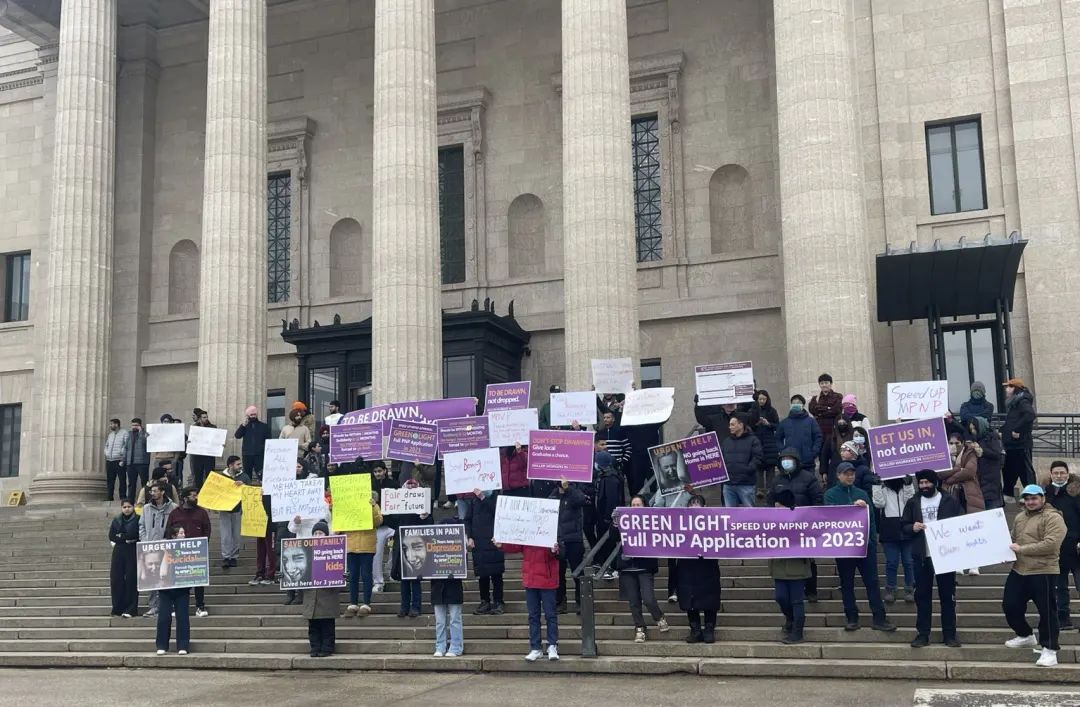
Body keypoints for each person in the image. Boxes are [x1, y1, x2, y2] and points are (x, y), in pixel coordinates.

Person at [825, 462, 895, 632]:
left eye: (852, 474)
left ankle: (879, 618)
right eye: (846, 474)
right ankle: (852, 618)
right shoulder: (830, 495)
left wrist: (871, 541)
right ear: (838, 475)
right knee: (847, 584)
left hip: (864, 546)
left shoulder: (862, 493)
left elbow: (871, 517)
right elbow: (829, 515)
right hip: (844, 547)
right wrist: (851, 508)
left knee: (872, 582)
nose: (850, 476)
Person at [1003, 484, 1066, 666]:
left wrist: (1021, 549)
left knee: (1047, 611)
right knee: (1010, 605)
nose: (1030, 502)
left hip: (1043, 570)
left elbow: (1051, 544)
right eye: (1027, 498)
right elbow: (1013, 540)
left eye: (1034, 498)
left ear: (1042, 498)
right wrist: (1007, 554)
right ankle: (1025, 635)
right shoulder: (1020, 517)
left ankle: (1050, 649)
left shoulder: (1053, 517)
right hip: (1019, 569)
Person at [903, 469, 965, 648]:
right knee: (922, 596)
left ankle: (950, 635)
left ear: (935, 483)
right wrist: (912, 527)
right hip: (922, 556)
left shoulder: (950, 500)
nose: (924, 486)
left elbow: (961, 524)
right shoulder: (913, 502)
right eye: (921, 483)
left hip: (945, 555)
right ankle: (922, 634)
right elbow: (904, 526)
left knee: (948, 596)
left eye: (927, 483)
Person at [767, 447, 824, 602]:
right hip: (783, 528)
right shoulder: (777, 480)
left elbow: (818, 499)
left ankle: (811, 591)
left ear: (796, 461)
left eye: (789, 459)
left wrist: (805, 515)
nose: (786, 462)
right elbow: (769, 501)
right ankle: (788, 590)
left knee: (808, 559)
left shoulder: (808, 478)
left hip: (804, 526)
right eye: (783, 459)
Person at [615, 495, 670, 642]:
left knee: (648, 598)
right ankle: (639, 628)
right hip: (627, 567)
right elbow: (612, 536)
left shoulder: (651, 522)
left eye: (638, 504)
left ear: (645, 507)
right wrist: (615, 523)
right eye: (633, 505)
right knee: (633, 601)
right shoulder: (623, 520)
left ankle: (658, 616)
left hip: (644, 566)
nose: (635, 507)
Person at [496, 538, 561, 662]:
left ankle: (552, 645)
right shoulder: (527, 534)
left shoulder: (551, 529)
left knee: (550, 615)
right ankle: (536, 647)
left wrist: (555, 550)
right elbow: (516, 546)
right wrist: (501, 545)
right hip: (531, 580)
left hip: (547, 580)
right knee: (533, 616)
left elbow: (561, 552)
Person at [537, 476, 588, 614]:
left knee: (578, 573)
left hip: (574, 539)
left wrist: (568, 488)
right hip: (558, 540)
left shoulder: (573, 493)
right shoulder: (552, 496)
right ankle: (560, 602)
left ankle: (581, 602)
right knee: (559, 573)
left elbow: (582, 500)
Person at [676, 494, 721, 643]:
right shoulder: (680, 525)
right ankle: (695, 629)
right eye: (691, 505)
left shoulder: (714, 524)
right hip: (687, 567)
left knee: (710, 598)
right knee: (689, 598)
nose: (694, 508)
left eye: (697, 505)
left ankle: (709, 629)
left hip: (707, 566)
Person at [769, 489, 812, 643]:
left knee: (796, 601)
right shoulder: (772, 521)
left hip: (797, 567)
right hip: (779, 566)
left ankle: (797, 631)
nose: (776, 508)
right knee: (781, 597)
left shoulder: (801, 519)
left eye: (779, 505)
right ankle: (790, 619)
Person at [390, 472, 433, 618]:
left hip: (415, 541)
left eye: (413, 486)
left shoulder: (423, 502)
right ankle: (404, 606)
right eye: (409, 486)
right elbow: (392, 519)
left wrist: (426, 516)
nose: (411, 488)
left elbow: (429, 523)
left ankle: (415, 606)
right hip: (402, 541)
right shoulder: (399, 501)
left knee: (415, 577)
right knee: (404, 579)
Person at [1045, 461, 1080, 631]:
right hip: (1057, 548)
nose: (1059, 476)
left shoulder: (1076, 492)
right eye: (1056, 473)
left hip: (1077, 546)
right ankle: (1063, 617)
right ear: (1051, 474)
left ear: (1067, 474)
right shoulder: (1046, 494)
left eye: (1062, 473)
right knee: (1060, 586)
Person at [167, 487, 212, 618]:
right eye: (193, 496)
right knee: (179, 579)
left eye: (196, 495)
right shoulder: (175, 513)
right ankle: (178, 606)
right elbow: (169, 531)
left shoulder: (201, 512)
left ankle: (200, 606)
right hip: (179, 552)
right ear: (185, 498)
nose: (196, 498)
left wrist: (203, 544)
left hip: (197, 551)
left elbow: (207, 529)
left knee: (198, 580)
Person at [873, 476, 916, 604]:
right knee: (892, 561)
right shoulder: (883, 488)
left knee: (908, 561)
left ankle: (910, 588)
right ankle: (890, 588)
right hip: (889, 528)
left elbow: (910, 502)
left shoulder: (905, 487)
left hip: (906, 527)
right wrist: (876, 486)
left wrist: (908, 485)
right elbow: (878, 503)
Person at [138, 481, 177, 618]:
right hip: (150, 548)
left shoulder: (173, 507)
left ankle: (169, 606)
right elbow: (141, 526)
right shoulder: (147, 508)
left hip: (167, 548)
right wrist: (145, 541)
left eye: (155, 491)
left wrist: (170, 540)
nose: (152, 493)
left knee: (167, 576)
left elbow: (176, 527)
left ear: (162, 492)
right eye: (151, 491)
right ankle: (154, 606)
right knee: (152, 579)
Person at [341, 492, 383, 618]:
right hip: (351, 545)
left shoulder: (372, 505)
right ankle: (353, 603)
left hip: (366, 546)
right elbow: (338, 527)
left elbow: (378, 521)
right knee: (353, 575)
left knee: (366, 575)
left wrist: (373, 507)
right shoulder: (347, 506)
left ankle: (366, 604)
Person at [465, 488, 505, 615]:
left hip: (494, 541)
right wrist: (469, 536)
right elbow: (467, 519)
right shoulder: (473, 501)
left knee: (496, 574)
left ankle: (498, 601)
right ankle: (485, 601)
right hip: (479, 542)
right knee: (482, 574)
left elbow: (498, 513)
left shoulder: (497, 497)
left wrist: (483, 497)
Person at [303, 520, 340, 657]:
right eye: (316, 533)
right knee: (313, 626)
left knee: (327, 625)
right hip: (311, 595)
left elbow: (339, 567)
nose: (318, 535)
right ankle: (315, 647)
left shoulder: (334, 551)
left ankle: (327, 648)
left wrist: (343, 575)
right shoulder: (306, 552)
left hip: (327, 595)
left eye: (321, 533)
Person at [154, 524, 191, 656]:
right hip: (166, 589)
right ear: (173, 536)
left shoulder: (189, 549)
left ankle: (183, 645)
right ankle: (162, 645)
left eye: (184, 533)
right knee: (163, 617)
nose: (183, 535)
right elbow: (163, 573)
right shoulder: (164, 549)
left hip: (182, 588)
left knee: (182, 617)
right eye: (181, 533)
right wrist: (166, 553)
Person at [431, 519, 465, 658]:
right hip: (438, 588)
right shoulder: (432, 548)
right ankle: (440, 646)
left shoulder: (458, 546)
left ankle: (456, 646)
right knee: (440, 621)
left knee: (454, 619)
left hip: (453, 587)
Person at [1000, 378, 1036, 503]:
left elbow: (1030, 415)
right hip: (1011, 445)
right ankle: (1008, 494)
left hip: (1021, 444)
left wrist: (1017, 430)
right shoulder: (1014, 402)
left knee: (1025, 472)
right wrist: (1003, 430)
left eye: (1009, 387)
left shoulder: (1023, 400)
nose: (1006, 389)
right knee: (1009, 470)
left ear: (1015, 388)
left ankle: (1031, 495)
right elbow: (1012, 420)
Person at [592, 447, 624, 580]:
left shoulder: (610, 479)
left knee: (608, 543)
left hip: (607, 519)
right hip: (605, 518)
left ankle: (610, 567)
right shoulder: (609, 476)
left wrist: (606, 518)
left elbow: (611, 500)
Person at [720, 412, 762, 507]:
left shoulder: (753, 440)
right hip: (728, 484)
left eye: (732, 424)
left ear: (741, 425)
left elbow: (758, 458)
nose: (730, 427)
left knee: (749, 516)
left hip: (746, 483)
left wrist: (747, 469)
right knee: (730, 516)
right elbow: (720, 458)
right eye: (729, 425)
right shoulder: (726, 441)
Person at [775, 395, 822, 478]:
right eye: (794, 403)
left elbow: (818, 437)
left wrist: (813, 452)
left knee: (810, 486)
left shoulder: (811, 421)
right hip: (790, 462)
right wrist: (783, 451)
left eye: (798, 403)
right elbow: (778, 438)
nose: (796, 404)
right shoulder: (785, 422)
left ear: (803, 405)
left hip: (808, 462)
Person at [109, 499, 140, 618]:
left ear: (133, 507)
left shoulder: (138, 519)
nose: (127, 509)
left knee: (131, 579)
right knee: (116, 579)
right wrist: (124, 537)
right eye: (124, 507)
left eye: (129, 506)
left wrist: (122, 536)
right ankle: (117, 608)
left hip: (132, 550)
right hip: (119, 551)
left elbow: (135, 534)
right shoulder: (116, 520)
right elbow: (111, 535)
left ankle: (131, 609)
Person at [941, 432, 985, 516]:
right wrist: (958, 468)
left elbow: (969, 472)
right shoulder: (943, 455)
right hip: (949, 492)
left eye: (957, 443)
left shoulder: (970, 453)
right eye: (951, 443)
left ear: (963, 443)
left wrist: (949, 479)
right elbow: (940, 474)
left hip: (968, 493)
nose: (954, 445)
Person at [217, 456, 249, 570]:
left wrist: (243, 485)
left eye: (240, 464)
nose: (240, 466)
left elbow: (250, 491)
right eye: (238, 464)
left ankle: (234, 556)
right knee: (225, 535)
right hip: (224, 509)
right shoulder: (221, 477)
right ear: (230, 465)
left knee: (236, 534)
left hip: (237, 509)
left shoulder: (244, 476)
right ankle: (226, 557)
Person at [370, 461, 397, 591]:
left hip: (392, 525)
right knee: (377, 554)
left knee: (396, 549)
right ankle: (378, 582)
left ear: (385, 471)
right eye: (375, 472)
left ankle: (391, 571)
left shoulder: (393, 484)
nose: (378, 474)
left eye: (380, 471)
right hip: (378, 527)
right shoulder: (370, 486)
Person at [968, 416, 1004, 510]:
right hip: (983, 477)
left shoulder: (991, 437)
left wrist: (981, 450)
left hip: (990, 477)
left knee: (991, 506)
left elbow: (996, 454)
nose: (972, 431)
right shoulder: (978, 438)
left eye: (974, 428)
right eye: (971, 429)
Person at [808, 373, 843, 471]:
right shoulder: (816, 398)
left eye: (826, 383)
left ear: (831, 384)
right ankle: (824, 477)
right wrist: (828, 408)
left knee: (835, 456)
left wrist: (821, 411)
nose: (824, 385)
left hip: (833, 433)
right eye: (822, 383)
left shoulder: (838, 396)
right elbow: (812, 409)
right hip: (820, 432)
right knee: (822, 457)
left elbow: (837, 410)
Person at [749, 390, 780, 493]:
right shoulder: (752, 412)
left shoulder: (772, 411)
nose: (762, 401)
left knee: (771, 469)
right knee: (758, 469)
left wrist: (768, 424)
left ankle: (771, 492)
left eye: (764, 399)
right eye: (760, 399)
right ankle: (760, 492)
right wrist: (757, 423)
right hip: (757, 443)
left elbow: (778, 426)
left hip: (770, 445)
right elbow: (749, 427)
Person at [235, 405, 272, 480]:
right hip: (247, 455)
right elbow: (237, 435)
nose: (253, 416)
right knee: (247, 475)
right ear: (247, 415)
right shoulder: (245, 426)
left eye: (254, 414)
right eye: (251, 415)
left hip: (259, 455)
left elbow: (269, 440)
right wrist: (243, 425)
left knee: (261, 475)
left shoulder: (264, 426)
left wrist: (262, 448)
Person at [188, 407, 217, 489]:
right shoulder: (194, 427)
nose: (206, 419)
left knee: (210, 475)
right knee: (198, 476)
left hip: (209, 455)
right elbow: (191, 440)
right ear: (200, 419)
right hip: (197, 456)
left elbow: (216, 439)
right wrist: (189, 442)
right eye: (204, 417)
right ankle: (198, 492)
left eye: (207, 417)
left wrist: (219, 444)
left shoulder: (213, 427)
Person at [124, 418, 150, 502]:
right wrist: (124, 460)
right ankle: (130, 500)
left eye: (136, 425)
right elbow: (126, 448)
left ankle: (146, 500)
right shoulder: (129, 434)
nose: (133, 427)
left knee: (144, 482)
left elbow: (145, 443)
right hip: (130, 463)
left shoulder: (145, 434)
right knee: (131, 483)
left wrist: (141, 432)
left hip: (142, 462)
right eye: (132, 425)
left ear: (140, 425)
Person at [104, 419, 129, 501]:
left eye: (111, 424)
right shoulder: (110, 434)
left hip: (119, 460)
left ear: (117, 424)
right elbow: (106, 445)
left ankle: (122, 497)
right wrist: (106, 453)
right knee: (110, 480)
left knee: (122, 479)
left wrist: (122, 455)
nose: (110, 425)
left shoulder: (124, 433)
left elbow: (126, 445)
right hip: (109, 460)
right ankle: (109, 497)